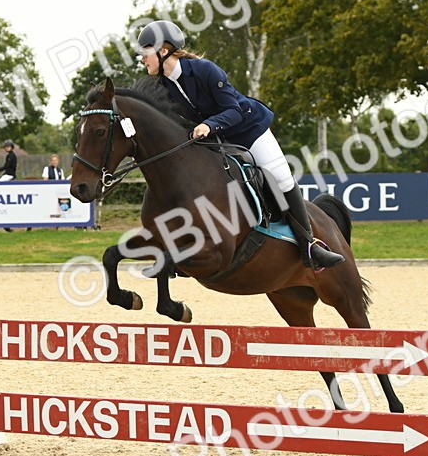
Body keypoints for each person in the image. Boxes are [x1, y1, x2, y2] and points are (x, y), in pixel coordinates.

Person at [136, 19, 343, 270]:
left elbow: (232, 111)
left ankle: (310, 246)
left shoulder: (205, 70)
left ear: (164, 50)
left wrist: (209, 125)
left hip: (248, 129)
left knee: (280, 177)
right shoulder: (163, 86)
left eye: (145, 52)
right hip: (218, 139)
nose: (142, 59)